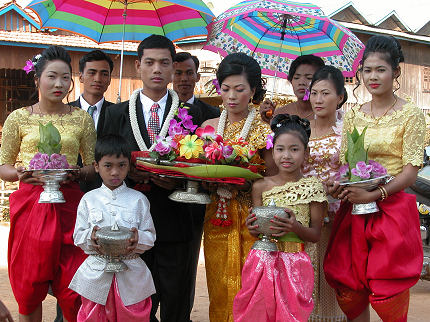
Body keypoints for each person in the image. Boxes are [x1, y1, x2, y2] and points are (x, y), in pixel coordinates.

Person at [101, 34, 210, 322]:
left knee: (176, 303)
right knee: (135, 305)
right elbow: (103, 162)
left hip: (176, 220)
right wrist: (126, 173)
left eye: (164, 63)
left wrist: (178, 180)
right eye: (149, 62)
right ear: (138, 66)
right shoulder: (116, 113)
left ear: (173, 68)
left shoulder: (193, 114)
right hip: (128, 226)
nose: (157, 69)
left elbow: (202, 165)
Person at [324, 35, 425, 322]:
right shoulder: (354, 114)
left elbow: (410, 170)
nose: (372, 77)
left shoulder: (411, 114)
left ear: (396, 72)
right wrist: (337, 184)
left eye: (380, 69)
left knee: (387, 287)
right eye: (367, 70)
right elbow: (345, 162)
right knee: (351, 286)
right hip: (355, 208)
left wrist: (376, 195)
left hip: (392, 210)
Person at [0, 46, 96, 322]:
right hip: (31, 206)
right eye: (52, 76)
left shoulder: (81, 118)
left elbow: (91, 166)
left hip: (71, 207)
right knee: (29, 283)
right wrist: (20, 174)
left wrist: (76, 173)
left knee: (75, 284)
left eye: (65, 78)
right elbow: (3, 165)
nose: (59, 84)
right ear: (37, 79)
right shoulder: (18, 117)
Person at [201, 53, 273, 321]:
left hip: (252, 218)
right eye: (226, 88)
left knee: (251, 286)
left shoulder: (264, 131)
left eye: (240, 89)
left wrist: (246, 183)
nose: (231, 96)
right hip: (217, 216)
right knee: (218, 284)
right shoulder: (208, 128)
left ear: (253, 90)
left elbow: (273, 177)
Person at [233, 114, 327, 321]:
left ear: (306, 153)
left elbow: (315, 235)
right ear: (272, 151)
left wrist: (295, 227)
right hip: (263, 261)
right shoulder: (260, 186)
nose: (287, 156)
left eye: (294, 149)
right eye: (280, 149)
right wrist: (252, 227)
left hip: (296, 263)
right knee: (259, 313)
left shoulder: (313, 187)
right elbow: (257, 232)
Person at [69, 135, 156, 321]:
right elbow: (78, 235)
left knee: (133, 315)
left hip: (131, 274)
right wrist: (90, 238)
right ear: (96, 166)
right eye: (108, 165)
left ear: (129, 166)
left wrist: (137, 238)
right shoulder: (88, 199)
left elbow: (150, 236)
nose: (115, 172)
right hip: (96, 273)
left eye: (121, 165)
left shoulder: (138, 200)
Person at [172, 50, 220, 316]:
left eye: (188, 73)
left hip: (199, 201)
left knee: (188, 264)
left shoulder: (212, 115)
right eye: (178, 73)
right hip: (160, 195)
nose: (183, 79)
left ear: (197, 76)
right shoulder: (160, 110)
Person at [303, 65, 347, 321]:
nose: (318, 100)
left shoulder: (347, 133)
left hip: (337, 216)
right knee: (305, 277)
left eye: (326, 93)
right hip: (303, 218)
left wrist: (342, 186)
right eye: (314, 93)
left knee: (332, 276)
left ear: (340, 97)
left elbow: (356, 171)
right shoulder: (299, 129)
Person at [260, 55, 325, 123]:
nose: (301, 83)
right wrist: (269, 120)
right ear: (291, 81)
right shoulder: (280, 114)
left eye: (309, 78)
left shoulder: (329, 114)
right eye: (296, 78)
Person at [71, 49, 114, 136]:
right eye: (92, 73)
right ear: (81, 77)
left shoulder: (118, 114)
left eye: (104, 74)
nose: (98, 79)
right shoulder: (66, 111)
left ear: (109, 79)